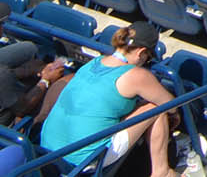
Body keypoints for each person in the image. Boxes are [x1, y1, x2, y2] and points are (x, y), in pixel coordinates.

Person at [32, 24, 177, 177]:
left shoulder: (93, 63)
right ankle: (162, 172)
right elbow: (170, 105)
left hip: (46, 151)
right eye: (148, 58)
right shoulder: (137, 75)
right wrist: (176, 116)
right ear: (141, 53)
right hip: (80, 162)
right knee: (155, 108)